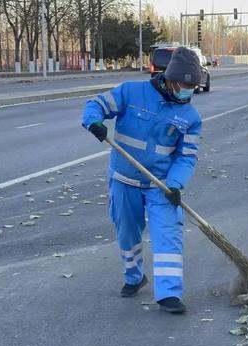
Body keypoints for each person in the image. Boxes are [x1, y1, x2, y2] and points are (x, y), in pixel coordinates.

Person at [82, 47, 203, 314]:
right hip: (124, 180)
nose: (189, 91)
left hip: (161, 185)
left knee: (168, 235)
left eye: (193, 87)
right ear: (170, 79)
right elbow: (96, 105)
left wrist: (176, 184)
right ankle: (134, 276)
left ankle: (169, 293)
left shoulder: (190, 117)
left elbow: (187, 157)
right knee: (127, 233)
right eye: (185, 85)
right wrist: (94, 122)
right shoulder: (131, 92)